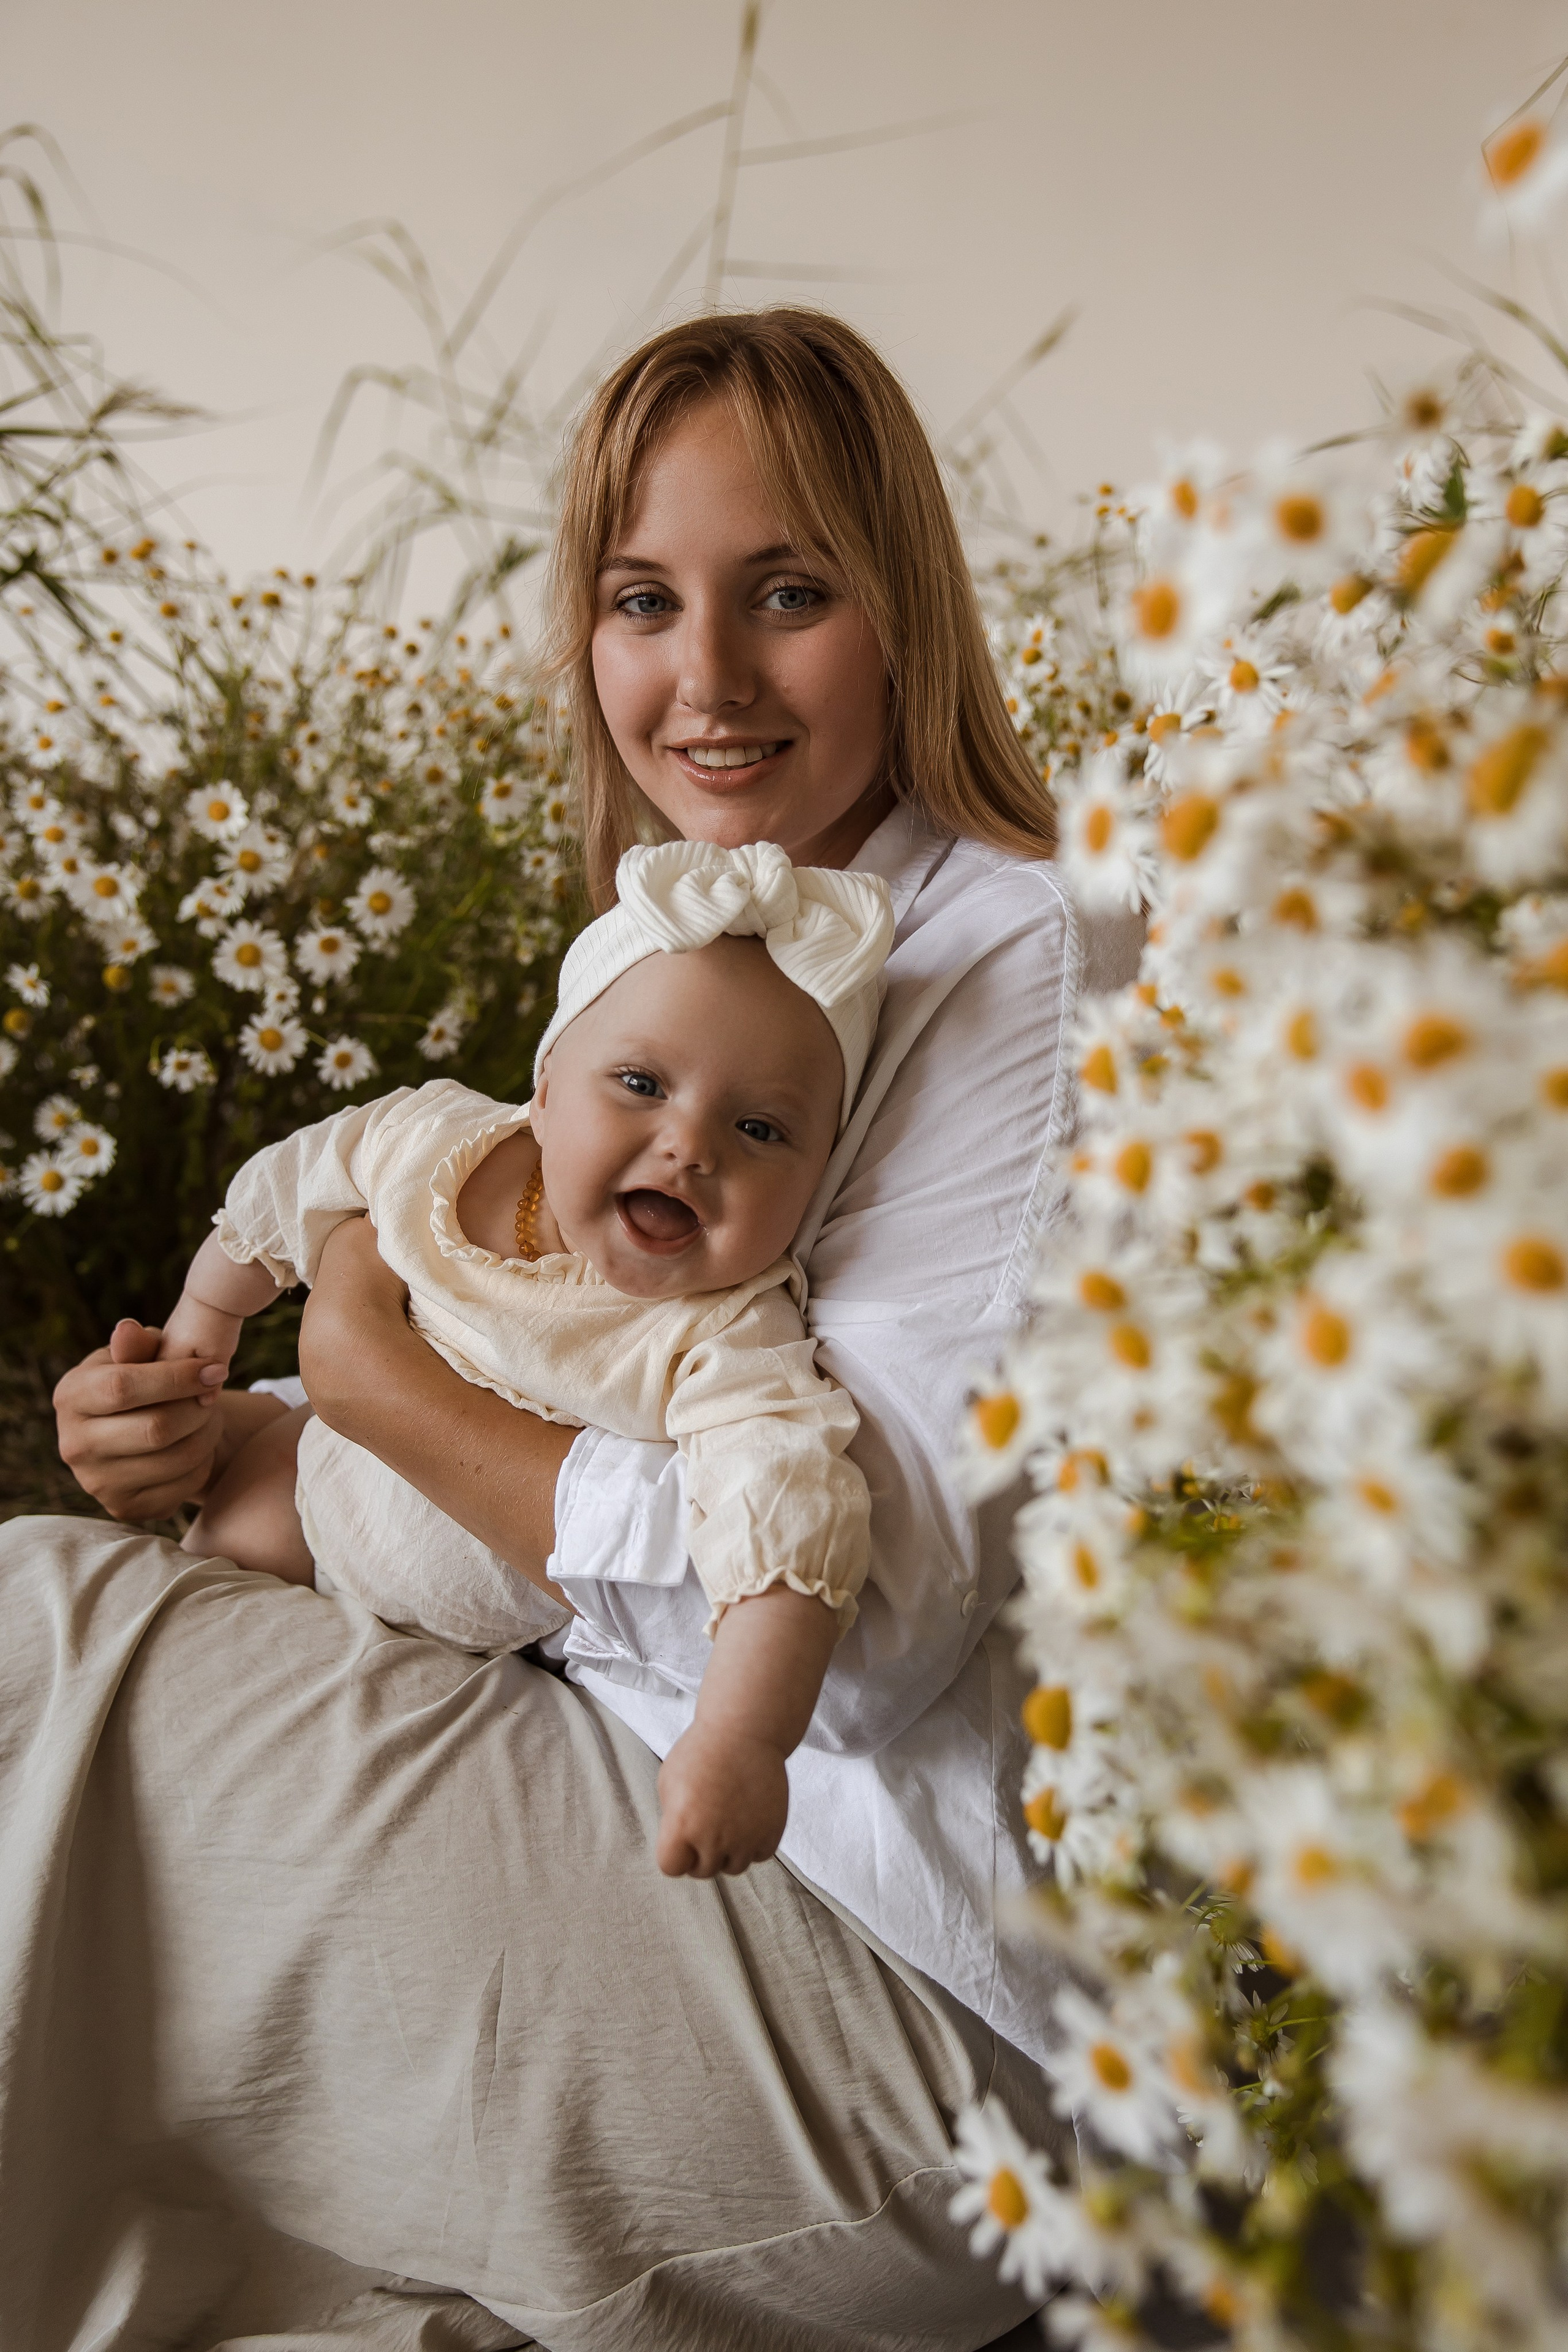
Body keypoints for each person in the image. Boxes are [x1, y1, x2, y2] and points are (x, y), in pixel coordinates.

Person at [30, 309, 1140, 2348]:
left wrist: (363, 1396)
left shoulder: (1016, 962)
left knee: (33, 1661)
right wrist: (245, 1424)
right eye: (645, 601)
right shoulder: (699, 934)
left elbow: (864, 1646)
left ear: (907, 612)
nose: (702, 681)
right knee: (59, 1621)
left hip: (901, 1985)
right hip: (627, 1761)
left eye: (787, 594)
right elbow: (571, 1360)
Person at [160, 840, 894, 1879]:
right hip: (308, 1498)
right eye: (640, 1082)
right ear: (545, 1089)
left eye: (763, 1128)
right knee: (198, 1642)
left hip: (474, 1649)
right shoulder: (435, 1147)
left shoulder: (724, 1337)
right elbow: (291, 1186)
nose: (691, 1145)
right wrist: (200, 1335)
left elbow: (785, 1516)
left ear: (819, 1183)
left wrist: (743, 1738)